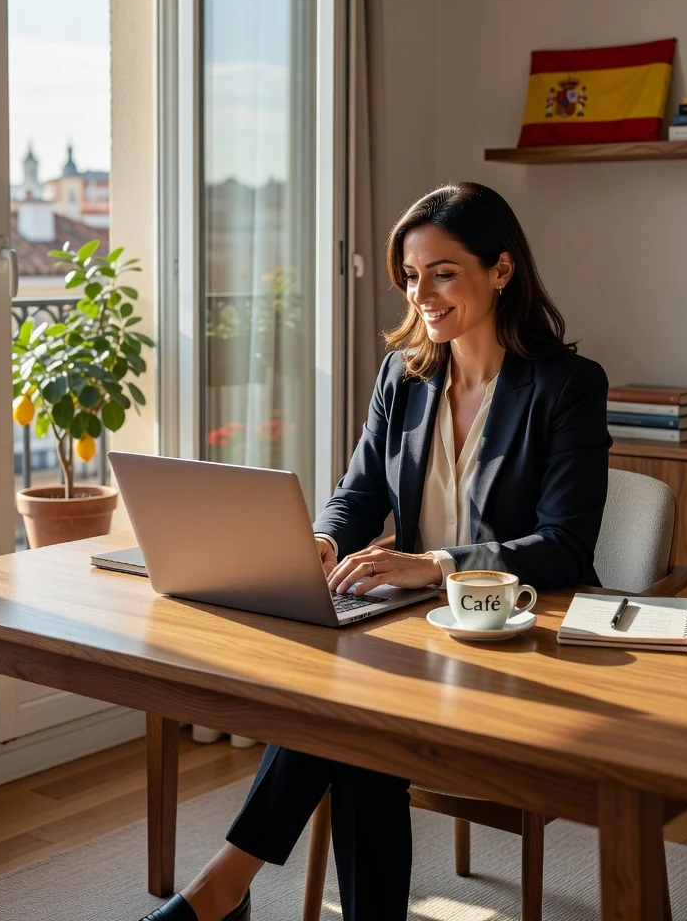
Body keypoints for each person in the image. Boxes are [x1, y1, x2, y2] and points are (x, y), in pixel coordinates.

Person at [143, 181, 610, 921]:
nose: (422, 292)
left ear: (502, 269)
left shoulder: (567, 387)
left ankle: (219, 891)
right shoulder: (406, 376)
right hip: (410, 641)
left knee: (345, 717)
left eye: (443, 272)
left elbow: (564, 546)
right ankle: (225, 892)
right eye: (411, 275)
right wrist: (324, 541)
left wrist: (435, 565)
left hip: (514, 644)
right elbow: (358, 494)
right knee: (352, 723)